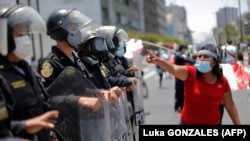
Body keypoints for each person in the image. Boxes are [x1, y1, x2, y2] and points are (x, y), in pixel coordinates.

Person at [38, 8, 122, 140]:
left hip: (86, 126)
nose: (77, 31)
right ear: (60, 32)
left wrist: (101, 93)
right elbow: (50, 99)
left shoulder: (77, 60)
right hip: (66, 131)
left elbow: (82, 89)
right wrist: (79, 101)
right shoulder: (51, 64)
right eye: (72, 27)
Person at [146, 32, 241, 125]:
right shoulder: (190, 73)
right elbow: (174, 68)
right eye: (199, 56)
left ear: (214, 62)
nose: (201, 58)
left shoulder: (222, 82)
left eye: (206, 56)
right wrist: (159, 61)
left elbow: (230, 106)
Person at [0, 4, 61, 140]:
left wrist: (52, 135)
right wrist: (27, 125)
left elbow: (42, 105)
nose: (26, 39)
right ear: (5, 38)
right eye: (20, 34)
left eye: (27, 33)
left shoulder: (25, 68)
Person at [173, 44, 195, 113]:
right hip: (179, 77)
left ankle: (181, 107)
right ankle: (178, 107)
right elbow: (187, 60)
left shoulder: (182, 55)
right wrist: (194, 61)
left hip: (183, 76)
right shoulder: (178, 56)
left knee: (183, 93)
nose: (185, 50)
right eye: (184, 49)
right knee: (179, 93)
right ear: (181, 49)